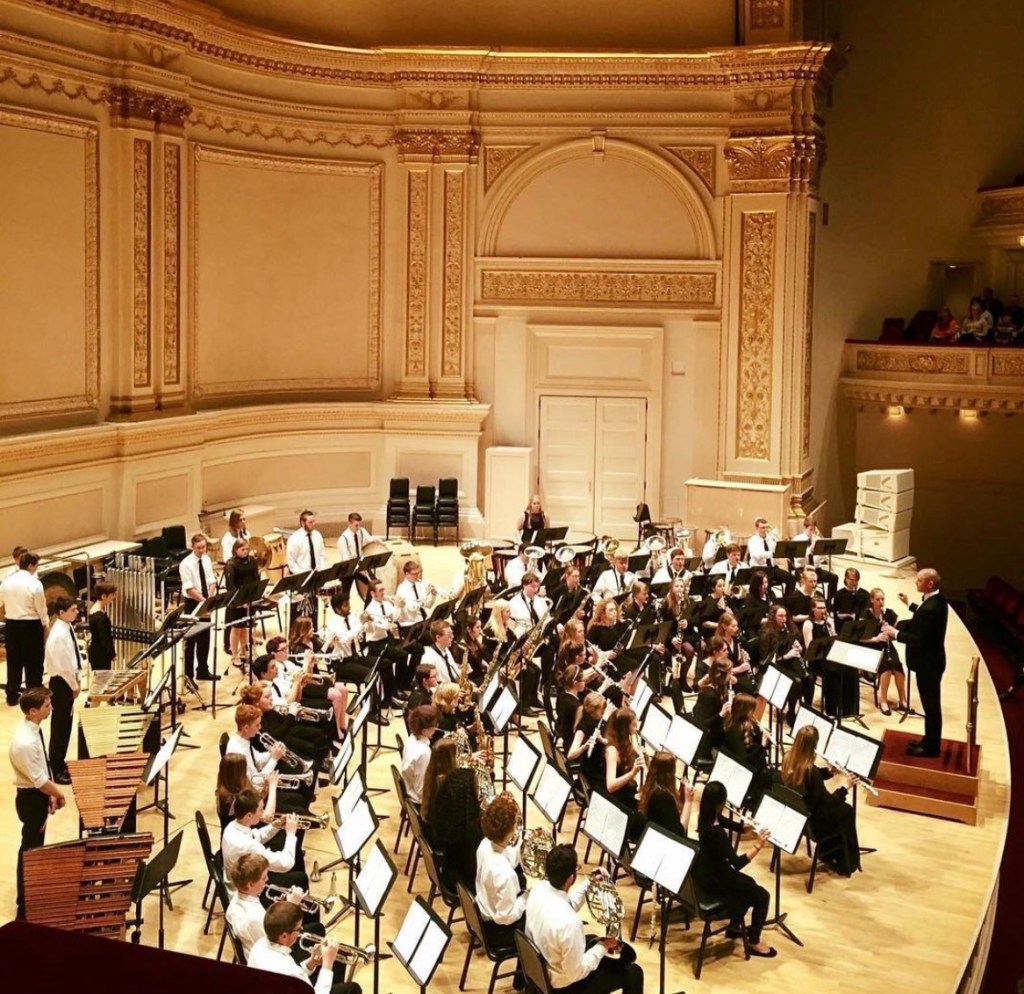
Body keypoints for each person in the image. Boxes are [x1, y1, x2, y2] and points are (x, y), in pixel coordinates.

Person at [525, 844, 643, 994]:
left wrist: (589, 882)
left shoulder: (538, 889)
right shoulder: (570, 924)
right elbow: (576, 973)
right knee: (634, 973)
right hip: (564, 987)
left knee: (592, 939)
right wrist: (603, 946)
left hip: (542, 969)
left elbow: (565, 905)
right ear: (571, 878)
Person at [691, 781, 775, 958]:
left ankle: (733, 927)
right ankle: (754, 942)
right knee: (762, 896)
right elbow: (736, 863)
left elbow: (724, 821)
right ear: (720, 803)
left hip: (705, 872)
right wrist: (758, 845)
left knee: (749, 883)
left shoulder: (705, 816)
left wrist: (744, 827)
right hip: (717, 879)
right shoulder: (717, 833)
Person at [8, 686, 66, 919]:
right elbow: (39, 780)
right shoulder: (25, 742)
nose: (51, 709)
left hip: (37, 795)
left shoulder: (33, 730)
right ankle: (24, 906)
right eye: (46, 706)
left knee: (34, 847)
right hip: (31, 799)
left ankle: (31, 892)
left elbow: (43, 765)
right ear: (32, 711)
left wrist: (50, 792)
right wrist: (58, 793)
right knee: (30, 850)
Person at [882, 568, 949, 757]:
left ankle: (931, 748)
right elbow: (922, 617)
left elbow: (920, 638)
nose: (916, 583)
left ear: (930, 583)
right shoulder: (937, 600)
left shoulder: (931, 608)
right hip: (931, 662)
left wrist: (895, 634)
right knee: (930, 705)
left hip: (928, 664)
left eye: (919, 580)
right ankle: (929, 740)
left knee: (931, 706)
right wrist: (909, 604)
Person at [780, 725, 861, 875]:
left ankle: (832, 853)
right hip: (816, 824)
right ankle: (846, 860)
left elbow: (806, 778)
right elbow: (828, 802)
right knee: (847, 810)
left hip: (801, 816)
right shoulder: (811, 772)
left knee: (843, 811)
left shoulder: (787, 757)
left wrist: (829, 772)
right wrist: (846, 787)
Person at [475, 792, 528, 991]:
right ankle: (529, 981)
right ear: (508, 831)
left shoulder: (485, 845)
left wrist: (522, 844)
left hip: (486, 909)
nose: (517, 828)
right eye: (515, 825)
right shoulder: (504, 875)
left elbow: (506, 856)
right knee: (538, 924)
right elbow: (505, 917)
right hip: (500, 931)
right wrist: (526, 898)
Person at [248, 902, 359, 994]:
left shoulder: (259, 945)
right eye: (298, 929)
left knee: (337, 963)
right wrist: (327, 964)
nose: (301, 929)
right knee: (353, 988)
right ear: (284, 936)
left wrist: (311, 963)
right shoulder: (290, 971)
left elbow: (293, 980)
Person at [423, 743, 483, 891]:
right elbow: (475, 869)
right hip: (463, 883)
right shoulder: (468, 832)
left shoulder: (447, 810)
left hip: (450, 870)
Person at [221, 788, 306, 888]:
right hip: (246, 890)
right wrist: (291, 834)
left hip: (242, 879)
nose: (263, 812)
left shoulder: (232, 826)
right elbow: (285, 864)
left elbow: (255, 836)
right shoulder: (247, 845)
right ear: (249, 815)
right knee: (301, 878)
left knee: (294, 858)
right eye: (261, 810)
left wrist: (275, 825)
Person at [0, 551, 48, 704]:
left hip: (12, 626)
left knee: (14, 662)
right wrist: (45, 624)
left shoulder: (6, 582)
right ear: (30, 565)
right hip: (31, 626)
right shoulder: (35, 583)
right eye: (36, 566)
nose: (36, 569)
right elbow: (41, 607)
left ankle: (12, 696)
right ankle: (33, 695)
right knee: (34, 662)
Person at [43, 595, 82, 784]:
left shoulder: (67, 627)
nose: (77, 612)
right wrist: (74, 685)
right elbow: (62, 665)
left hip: (68, 681)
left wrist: (78, 678)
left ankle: (60, 761)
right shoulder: (58, 635)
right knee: (60, 726)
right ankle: (56, 768)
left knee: (66, 725)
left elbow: (73, 658)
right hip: (61, 683)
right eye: (73, 609)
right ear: (61, 613)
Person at [721, 693, 774, 808]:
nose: (753, 713)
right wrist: (762, 746)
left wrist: (764, 737)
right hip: (740, 770)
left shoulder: (748, 723)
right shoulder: (733, 729)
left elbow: (758, 743)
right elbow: (743, 760)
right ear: (743, 711)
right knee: (770, 776)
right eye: (751, 710)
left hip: (753, 765)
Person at [179, 532, 218, 681]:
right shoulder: (186, 564)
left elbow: (212, 581)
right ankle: (188, 676)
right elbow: (189, 589)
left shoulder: (206, 560)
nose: (202, 550)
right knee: (191, 639)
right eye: (199, 548)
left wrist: (209, 599)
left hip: (205, 599)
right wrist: (204, 602)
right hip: (193, 602)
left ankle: (202, 670)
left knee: (205, 638)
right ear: (192, 546)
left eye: (204, 547)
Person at [861, 588, 907, 715]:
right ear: (871, 600)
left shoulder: (889, 613)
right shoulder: (866, 615)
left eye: (882, 599)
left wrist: (891, 631)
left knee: (898, 666)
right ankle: (884, 701)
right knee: (886, 667)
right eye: (877, 599)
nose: (881, 602)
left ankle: (902, 700)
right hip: (871, 647)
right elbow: (860, 638)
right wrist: (877, 638)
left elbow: (898, 629)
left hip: (886, 645)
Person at [223, 537, 261, 665]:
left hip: (249, 598)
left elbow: (256, 579)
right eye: (242, 549)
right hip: (237, 601)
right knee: (236, 628)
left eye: (247, 549)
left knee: (246, 627)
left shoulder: (252, 561)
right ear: (235, 550)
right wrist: (239, 601)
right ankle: (235, 656)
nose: (245, 552)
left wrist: (256, 595)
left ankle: (245, 652)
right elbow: (230, 585)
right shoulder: (231, 564)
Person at [637, 750, 693, 837]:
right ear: (670, 774)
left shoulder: (649, 786)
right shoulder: (663, 797)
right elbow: (679, 833)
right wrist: (688, 801)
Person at [401, 705, 439, 802]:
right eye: (434, 725)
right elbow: (421, 791)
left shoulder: (411, 738)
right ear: (425, 731)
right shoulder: (423, 754)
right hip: (420, 801)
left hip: (411, 788)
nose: (436, 727)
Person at [87, 581, 118, 671]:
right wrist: (112, 654)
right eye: (112, 595)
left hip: (97, 651)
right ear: (104, 596)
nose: (113, 597)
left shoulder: (95, 608)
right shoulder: (99, 617)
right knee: (103, 681)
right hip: (100, 654)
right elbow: (104, 638)